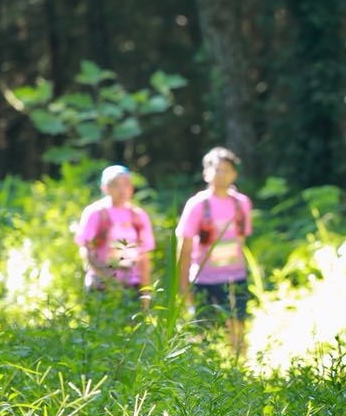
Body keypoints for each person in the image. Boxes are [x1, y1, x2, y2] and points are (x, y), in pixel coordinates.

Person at [176, 147, 254, 356]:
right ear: (206, 173)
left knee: (237, 328)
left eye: (226, 170)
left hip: (234, 278)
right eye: (216, 170)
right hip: (204, 279)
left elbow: (241, 239)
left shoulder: (242, 203)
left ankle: (239, 372)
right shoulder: (197, 205)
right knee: (202, 332)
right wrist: (184, 285)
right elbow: (184, 246)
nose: (221, 175)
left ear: (234, 174)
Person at [74, 164, 156, 310]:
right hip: (101, 286)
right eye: (116, 184)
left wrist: (146, 291)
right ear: (105, 188)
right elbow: (86, 250)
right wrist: (108, 279)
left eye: (126, 184)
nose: (122, 189)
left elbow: (144, 257)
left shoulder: (138, 216)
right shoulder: (95, 213)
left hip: (133, 285)